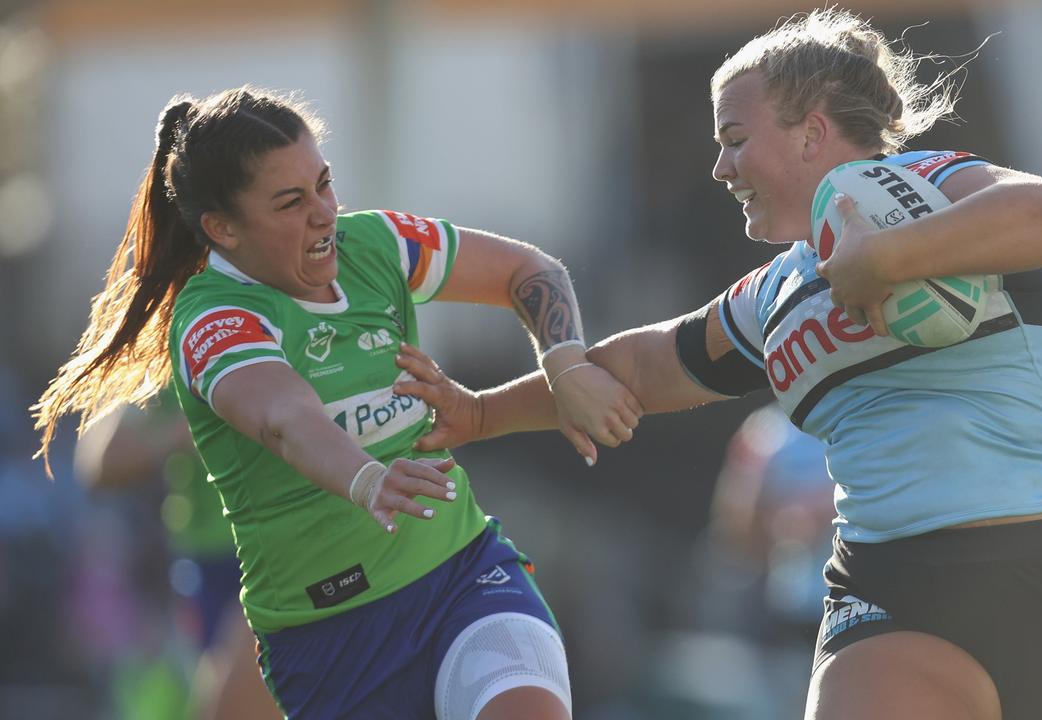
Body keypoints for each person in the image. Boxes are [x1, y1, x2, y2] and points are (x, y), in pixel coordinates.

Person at [390, 9, 1042, 720]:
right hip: (890, 585)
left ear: (811, 132)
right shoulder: (774, 291)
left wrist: (888, 255)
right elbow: (642, 365)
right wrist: (483, 412)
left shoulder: (935, 184)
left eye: (734, 139)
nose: (720, 170)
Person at [33, 86, 641, 720]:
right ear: (223, 229)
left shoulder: (374, 244)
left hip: (461, 576)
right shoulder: (211, 314)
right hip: (326, 636)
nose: (324, 213)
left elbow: (529, 271)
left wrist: (565, 361)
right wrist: (367, 478)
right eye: (291, 202)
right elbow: (284, 417)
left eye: (323, 184)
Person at [74, 392, 280, 720]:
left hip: (276, 553)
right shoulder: (175, 357)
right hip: (205, 566)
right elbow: (100, 463)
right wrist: (177, 433)